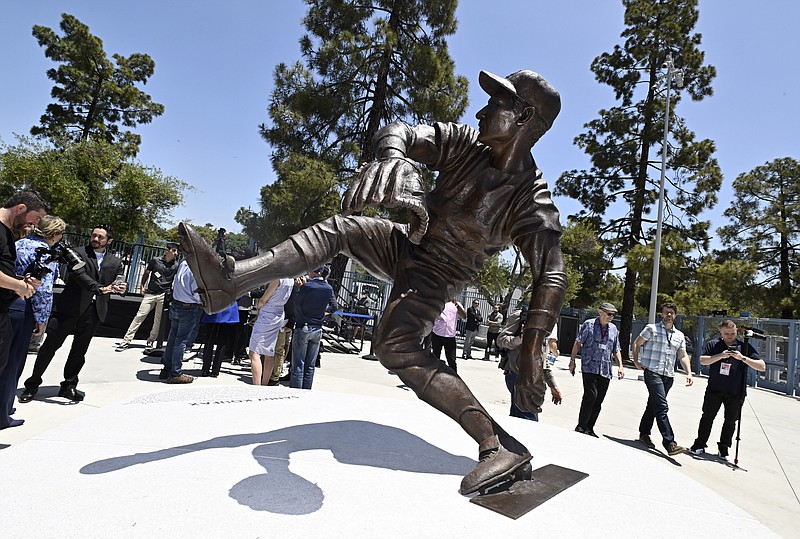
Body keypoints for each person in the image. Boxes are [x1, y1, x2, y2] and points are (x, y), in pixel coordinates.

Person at [179, 68, 567, 495]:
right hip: (406, 245)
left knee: (392, 344)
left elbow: (550, 272)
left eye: (496, 104)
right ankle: (229, 283)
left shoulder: (532, 198)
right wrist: (393, 155)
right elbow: (398, 129)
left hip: (439, 275)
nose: (481, 109)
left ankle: (498, 445)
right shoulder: (463, 142)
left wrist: (533, 344)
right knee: (340, 229)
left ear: (525, 117)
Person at [20, 225, 124, 403]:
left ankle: (69, 386)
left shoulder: (115, 261)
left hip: (94, 312)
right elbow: (80, 275)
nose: (96, 239)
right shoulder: (76, 253)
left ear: (109, 241)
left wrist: (121, 287)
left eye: (100, 237)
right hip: (68, 309)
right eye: (94, 235)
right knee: (49, 348)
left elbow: (119, 278)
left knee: (79, 352)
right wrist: (100, 288)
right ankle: (32, 385)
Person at [0, 211, 56, 428]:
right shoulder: (45, 252)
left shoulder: (19, 242)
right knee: (13, 361)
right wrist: (42, 319)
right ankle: (4, 413)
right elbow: (45, 290)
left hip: (8, 301)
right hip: (25, 304)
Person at [689, 320, 765, 461]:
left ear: (736, 332)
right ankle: (699, 443)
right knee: (707, 417)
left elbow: (762, 366)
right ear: (721, 332)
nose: (730, 336)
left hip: (735, 391)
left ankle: (724, 447)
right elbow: (703, 360)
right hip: (714, 388)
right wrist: (721, 356)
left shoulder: (744, 346)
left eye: (733, 333)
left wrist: (742, 358)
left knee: (730, 421)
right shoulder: (714, 344)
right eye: (726, 333)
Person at [632, 302, 694, 456]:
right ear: (661, 314)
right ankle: (670, 443)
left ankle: (644, 433)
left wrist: (689, 373)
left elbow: (683, 355)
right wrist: (636, 361)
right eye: (666, 312)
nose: (669, 315)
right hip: (652, 372)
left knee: (653, 404)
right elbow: (637, 343)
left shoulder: (679, 335)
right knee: (662, 407)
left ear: (675, 315)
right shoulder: (651, 329)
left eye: (671, 313)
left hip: (668, 376)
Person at [0, 191, 47, 385]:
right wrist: (19, 286)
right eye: (36, 217)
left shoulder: (7, 232)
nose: (35, 224)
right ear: (21, 208)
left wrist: (21, 280)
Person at [568, 302, 624, 437]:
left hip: (605, 369)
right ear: (600, 312)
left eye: (613, 315)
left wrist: (620, 366)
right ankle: (581, 426)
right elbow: (578, 342)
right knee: (590, 396)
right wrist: (572, 360)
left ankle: (590, 428)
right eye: (609, 314)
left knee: (598, 400)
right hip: (589, 366)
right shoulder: (589, 324)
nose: (611, 317)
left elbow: (616, 349)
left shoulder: (613, 329)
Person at [498, 303, 562, 421]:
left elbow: (542, 356)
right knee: (528, 416)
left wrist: (553, 385)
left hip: (534, 377)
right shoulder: (520, 315)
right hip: (515, 374)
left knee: (520, 417)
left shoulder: (546, 320)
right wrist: (520, 339)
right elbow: (501, 340)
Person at [116, 244, 179, 352]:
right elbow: (146, 272)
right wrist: (141, 286)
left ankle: (151, 341)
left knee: (158, 320)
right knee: (139, 316)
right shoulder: (155, 260)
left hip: (164, 294)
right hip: (150, 293)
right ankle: (126, 340)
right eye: (173, 250)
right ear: (167, 250)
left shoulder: (176, 265)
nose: (176, 253)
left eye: (177, 251)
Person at [290, 266, 336, 389]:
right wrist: (322, 311)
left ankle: (296, 392)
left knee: (298, 364)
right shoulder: (328, 288)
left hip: (304, 326)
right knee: (310, 365)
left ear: (313, 272)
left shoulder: (307, 287)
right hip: (317, 327)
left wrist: (299, 289)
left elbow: (297, 302)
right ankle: (306, 391)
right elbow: (334, 306)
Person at [159, 259, 202, 384]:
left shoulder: (184, 263)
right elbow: (196, 291)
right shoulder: (195, 269)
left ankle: (166, 368)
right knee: (181, 340)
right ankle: (175, 372)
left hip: (176, 303)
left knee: (173, 337)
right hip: (188, 306)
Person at [249, 278, 294, 385]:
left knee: (254, 352)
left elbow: (263, 300)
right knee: (269, 351)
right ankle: (264, 383)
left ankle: (257, 385)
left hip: (268, 312)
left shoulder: (278, 279)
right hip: (279, 312)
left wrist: (259, 307)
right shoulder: (291, 279)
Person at [199, 302, 240, 377]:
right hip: (228, 307)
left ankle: (205, 368)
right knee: (222, 341)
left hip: (214, 307)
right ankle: (215, 370)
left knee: (209, 340)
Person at [431, 297, 466, 373]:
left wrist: (456, 304)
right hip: (437, 334)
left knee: (451, 359)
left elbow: (464, 316)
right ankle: (433, 377)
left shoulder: (456, 304)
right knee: (435, 358)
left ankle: (454, 378)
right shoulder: (438, 303)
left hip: (450, 336)